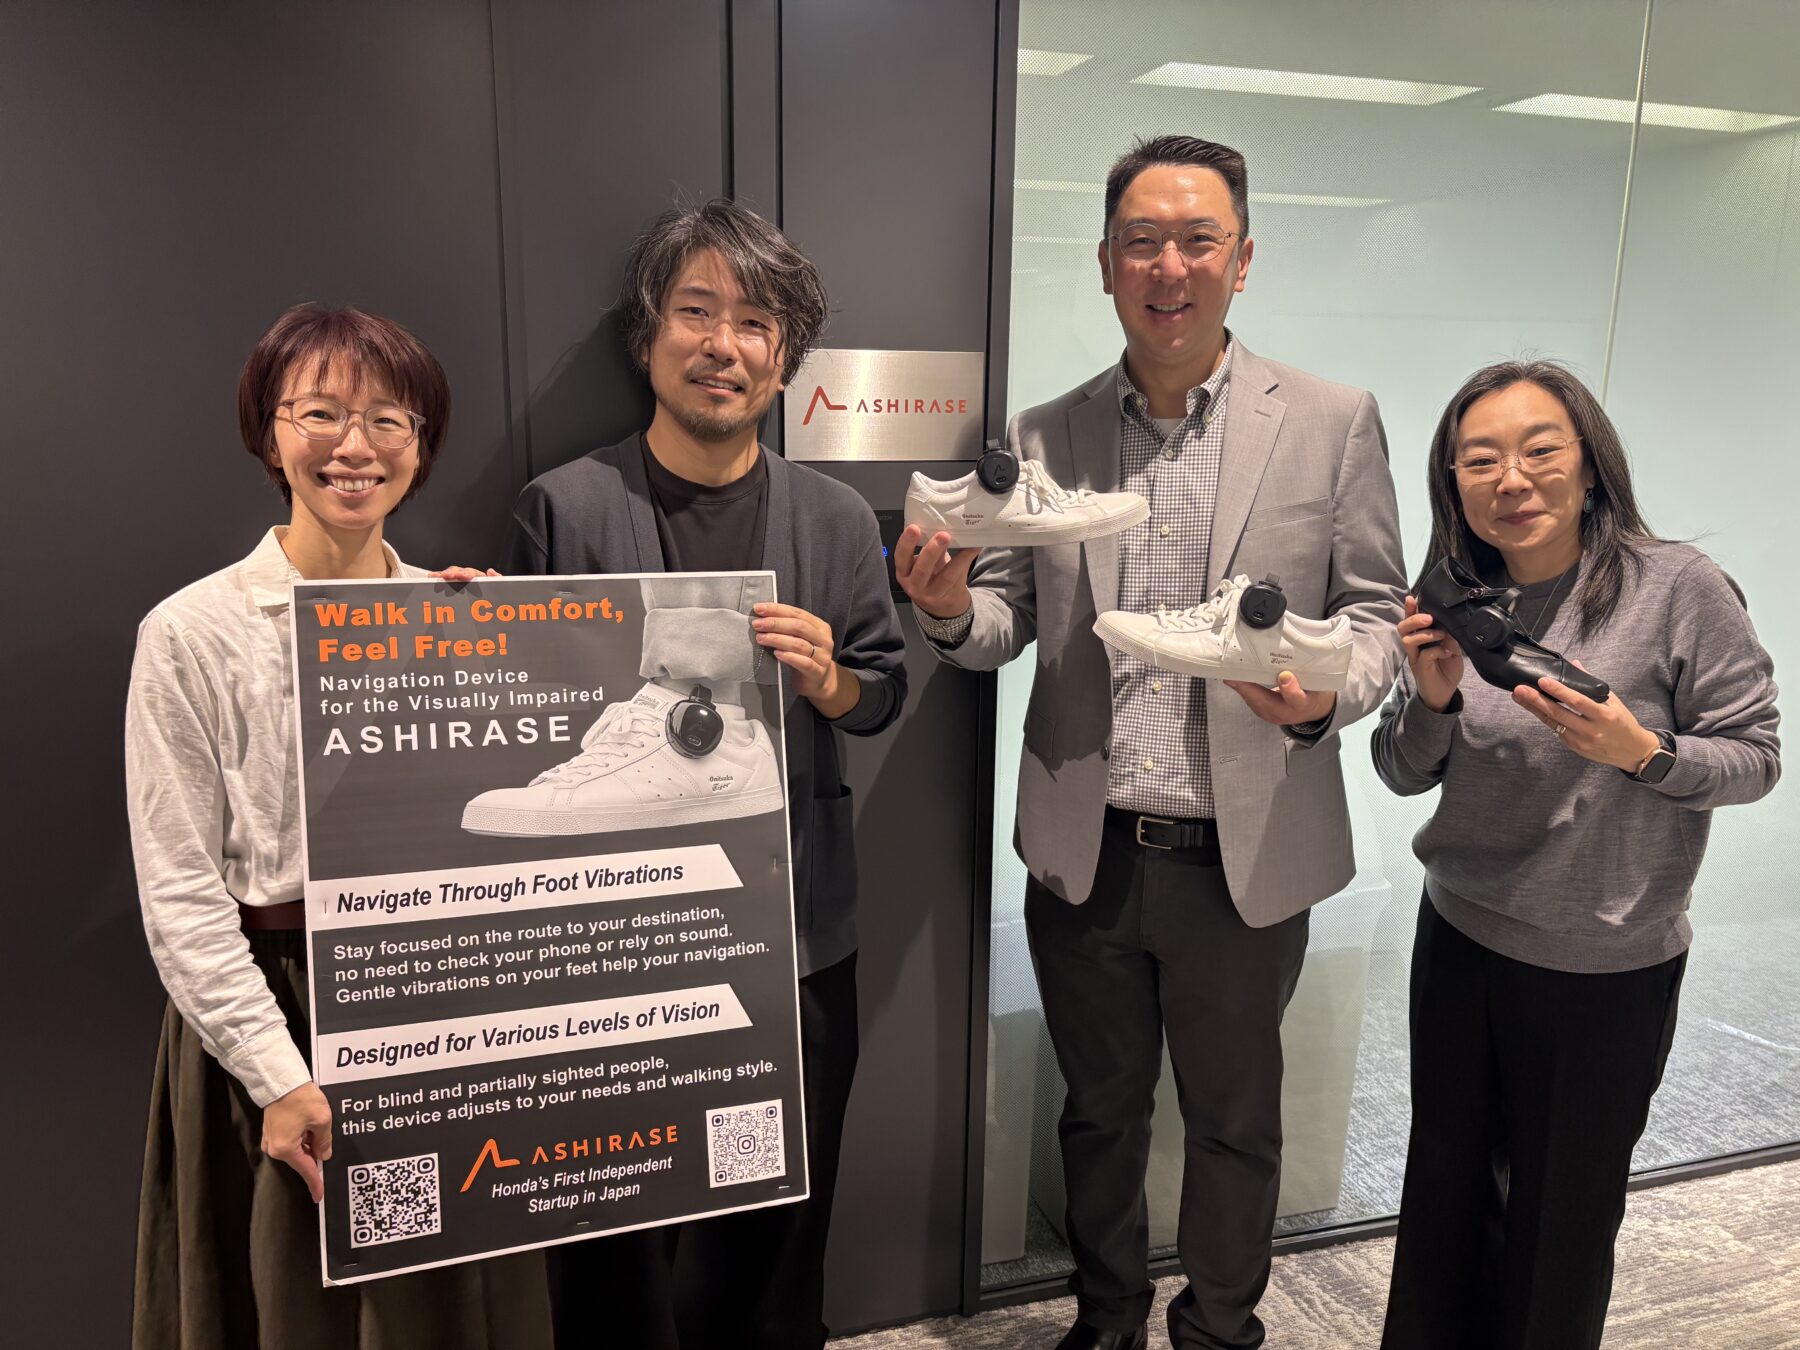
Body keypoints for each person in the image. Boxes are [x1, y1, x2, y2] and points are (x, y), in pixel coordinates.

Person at [896, 133, 1407, 1350]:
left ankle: (1222, 1328)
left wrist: (1321, 700)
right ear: (1105, 262)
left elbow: (1377, 619)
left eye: (1196, 240)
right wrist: (945, 610)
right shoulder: (1046, 431)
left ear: (1243, 259)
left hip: (1250, 853)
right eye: (1141, 242)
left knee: (1236, 1120)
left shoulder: (1332, 420)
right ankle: (1107, 1319)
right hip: (1093, 847)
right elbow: (1006, 621)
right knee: (1098, 1112)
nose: (1167, 267)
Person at [503, 199, 907, 1350]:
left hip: (793, 936)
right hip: (610, 946)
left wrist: (831, 680)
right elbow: (517, 724)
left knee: (775, 1236)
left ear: (784, 360)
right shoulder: (563, 508)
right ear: (649, 337)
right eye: (695, 312)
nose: (723, 344)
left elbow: (884, 693)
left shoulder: (833, 518)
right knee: (609, 1241)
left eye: (756, 323)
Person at [126, 304, 552, 1349]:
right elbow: (180, 891)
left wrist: (517, 650)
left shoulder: (456, 611)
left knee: (443, 1309)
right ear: (269, 433)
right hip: (277, 1012)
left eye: (388, 420)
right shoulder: (193, 631)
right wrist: (278, 1075)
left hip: (435, 993)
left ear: (419, 447)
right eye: (320, 413)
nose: (355, 446)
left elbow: (512, 828)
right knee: (297, 1310)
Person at [1371, 360, 1781, 1350]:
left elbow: (1756, 756)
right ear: (1454, 483)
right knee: (1443, 1201)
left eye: (1539, 449)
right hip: (1461, 941)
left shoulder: (1675, 586)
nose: (1511, 479)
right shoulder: (1454, 596)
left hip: (1605, 967)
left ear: (1591, 465)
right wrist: (1432, 699)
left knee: (1560, 1227)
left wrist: (1641, 751)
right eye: (1480, 460)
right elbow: (1399, 768)